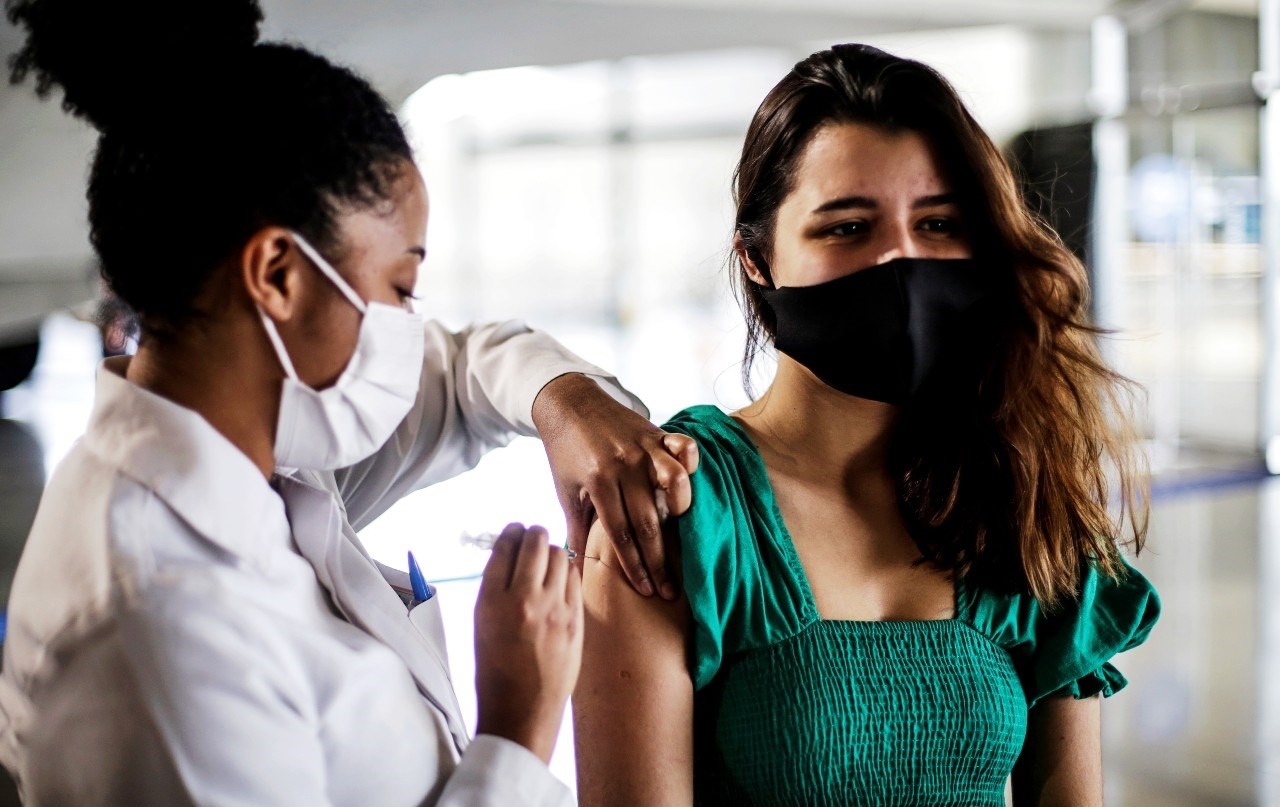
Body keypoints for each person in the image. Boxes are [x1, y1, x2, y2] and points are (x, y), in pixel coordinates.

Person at [0, 1, 698, 804]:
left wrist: (567, 403)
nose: (411, 323)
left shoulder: (268, 457)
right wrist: (517, 727)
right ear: (278, 277)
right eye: (399, 287)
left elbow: (469, 369)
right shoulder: (155, 632)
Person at [573, 44, 1161, 806]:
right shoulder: (679, 510)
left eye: (939, 221)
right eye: (847, 227)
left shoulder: (1021, 486)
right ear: (756, 258)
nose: (901, 260)